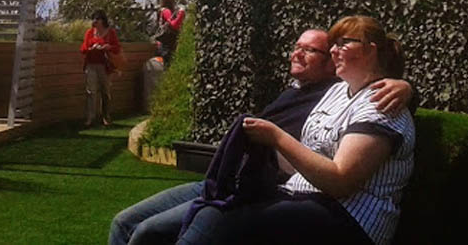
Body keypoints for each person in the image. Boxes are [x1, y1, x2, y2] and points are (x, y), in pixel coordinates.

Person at [109, 25, 412, 245]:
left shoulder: (360, 97)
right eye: (297, 46)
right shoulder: (323, 93)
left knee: (176, 226)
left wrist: (405, 88)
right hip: (241, 182)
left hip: (302, 200)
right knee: (125, 223)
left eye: (311, 50)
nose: (298, 53)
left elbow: (376, 110)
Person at [81, 9, 122, 127]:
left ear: (103, 20)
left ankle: (106, 116)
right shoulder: (89, 32)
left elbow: (117, 48)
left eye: (97, 19)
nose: (94, 21)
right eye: (93, 19)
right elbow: (83, 48)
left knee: (105, 91)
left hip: (105, 66)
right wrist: (91, 48)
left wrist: (108, 47)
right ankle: (90, 117)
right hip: (91, 65)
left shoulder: (110, 33)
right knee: (91, 92)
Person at [156, 0, 186, 64]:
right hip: (168, 42)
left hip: (163, 42)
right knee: (168, 61)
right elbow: (173, 25)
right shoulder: (166, 11)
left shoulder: (161, 11)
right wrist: (181, 13)